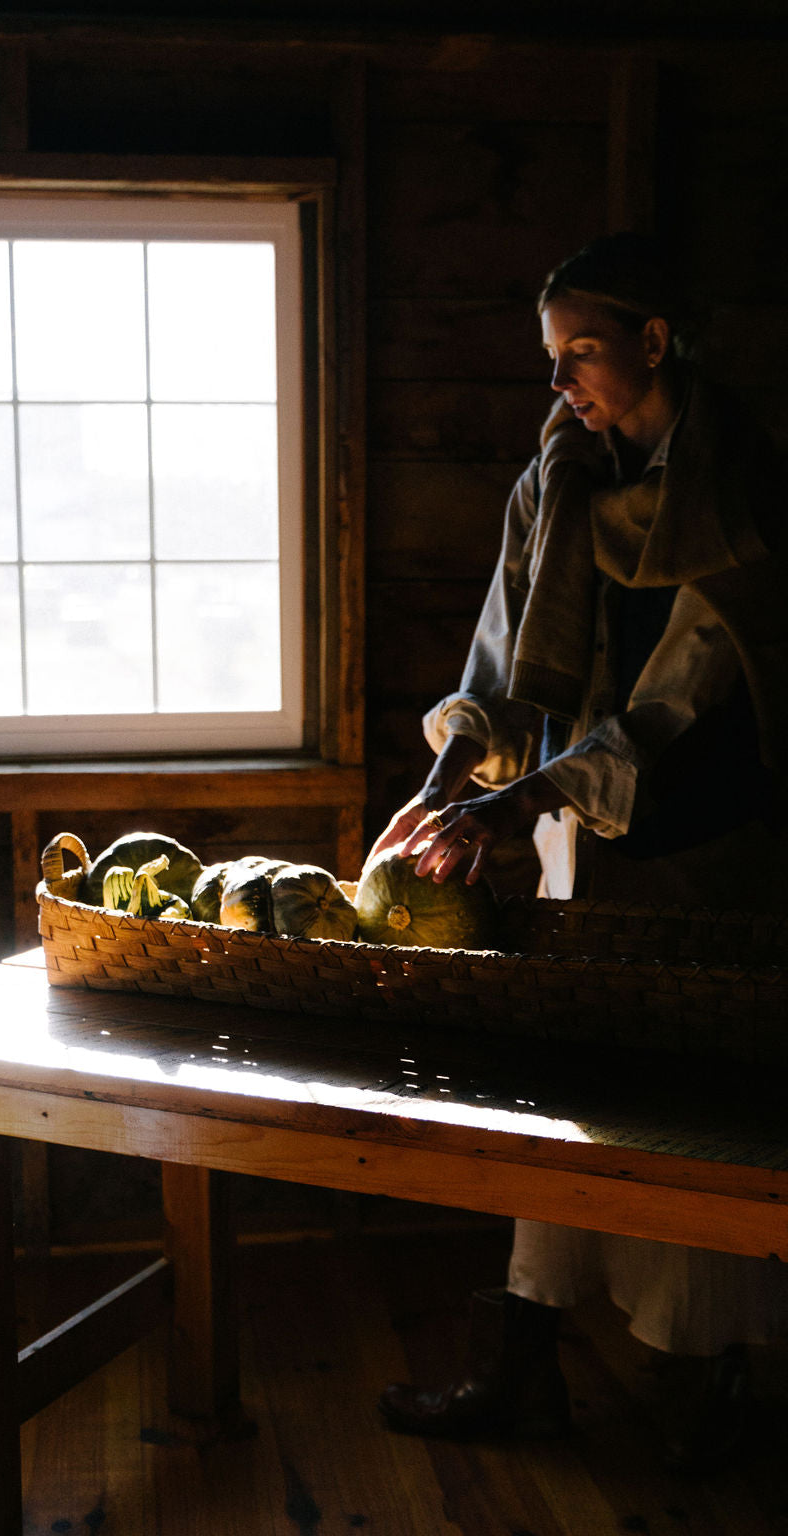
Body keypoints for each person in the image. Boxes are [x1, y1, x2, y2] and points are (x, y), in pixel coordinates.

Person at [372, 233, 788, 1471]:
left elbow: (677, 709)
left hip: (712, 842)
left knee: (693, 1113)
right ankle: (525, 1361)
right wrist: (451, 778)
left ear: (654, 342)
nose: (561, 387)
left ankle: (723, 1380)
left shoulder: (743, 492)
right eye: (550, 361)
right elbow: (501, 672)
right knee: (556, 1098)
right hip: (580, 842)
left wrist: (518, 803)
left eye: (581, 356)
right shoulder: (553, 485)